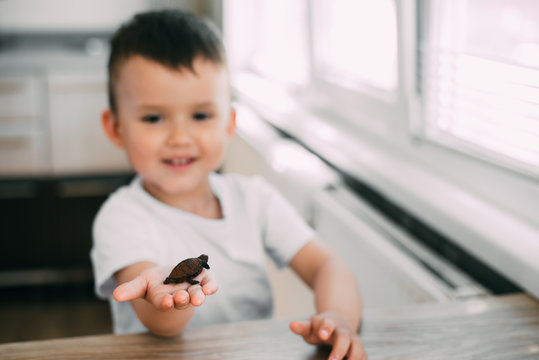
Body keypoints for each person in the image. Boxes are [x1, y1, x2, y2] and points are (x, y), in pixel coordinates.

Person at [91, 9, 367, 360]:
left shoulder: (254, 199)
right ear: (116, 128)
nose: (179, 137)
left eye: (201, 115)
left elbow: (329, 266)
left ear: (229, 123)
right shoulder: (121, 217)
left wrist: (338, 317)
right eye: (154, 117)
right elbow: (163, 325)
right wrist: (171, 291)